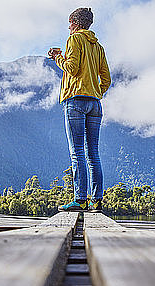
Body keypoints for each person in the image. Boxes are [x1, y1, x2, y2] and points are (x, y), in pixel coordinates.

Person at [48, 7, 111, 212]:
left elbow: (72, 69)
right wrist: (96, 92)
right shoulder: (98, 47)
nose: (68, 27)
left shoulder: (74, 40)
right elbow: (106, 79)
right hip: (95, 103)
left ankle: (80, 199)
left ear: (75, 23)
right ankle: (96, 200)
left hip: (75, 101)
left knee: (77, 153)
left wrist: (58, 57)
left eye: (69, 23)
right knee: (93, 153)